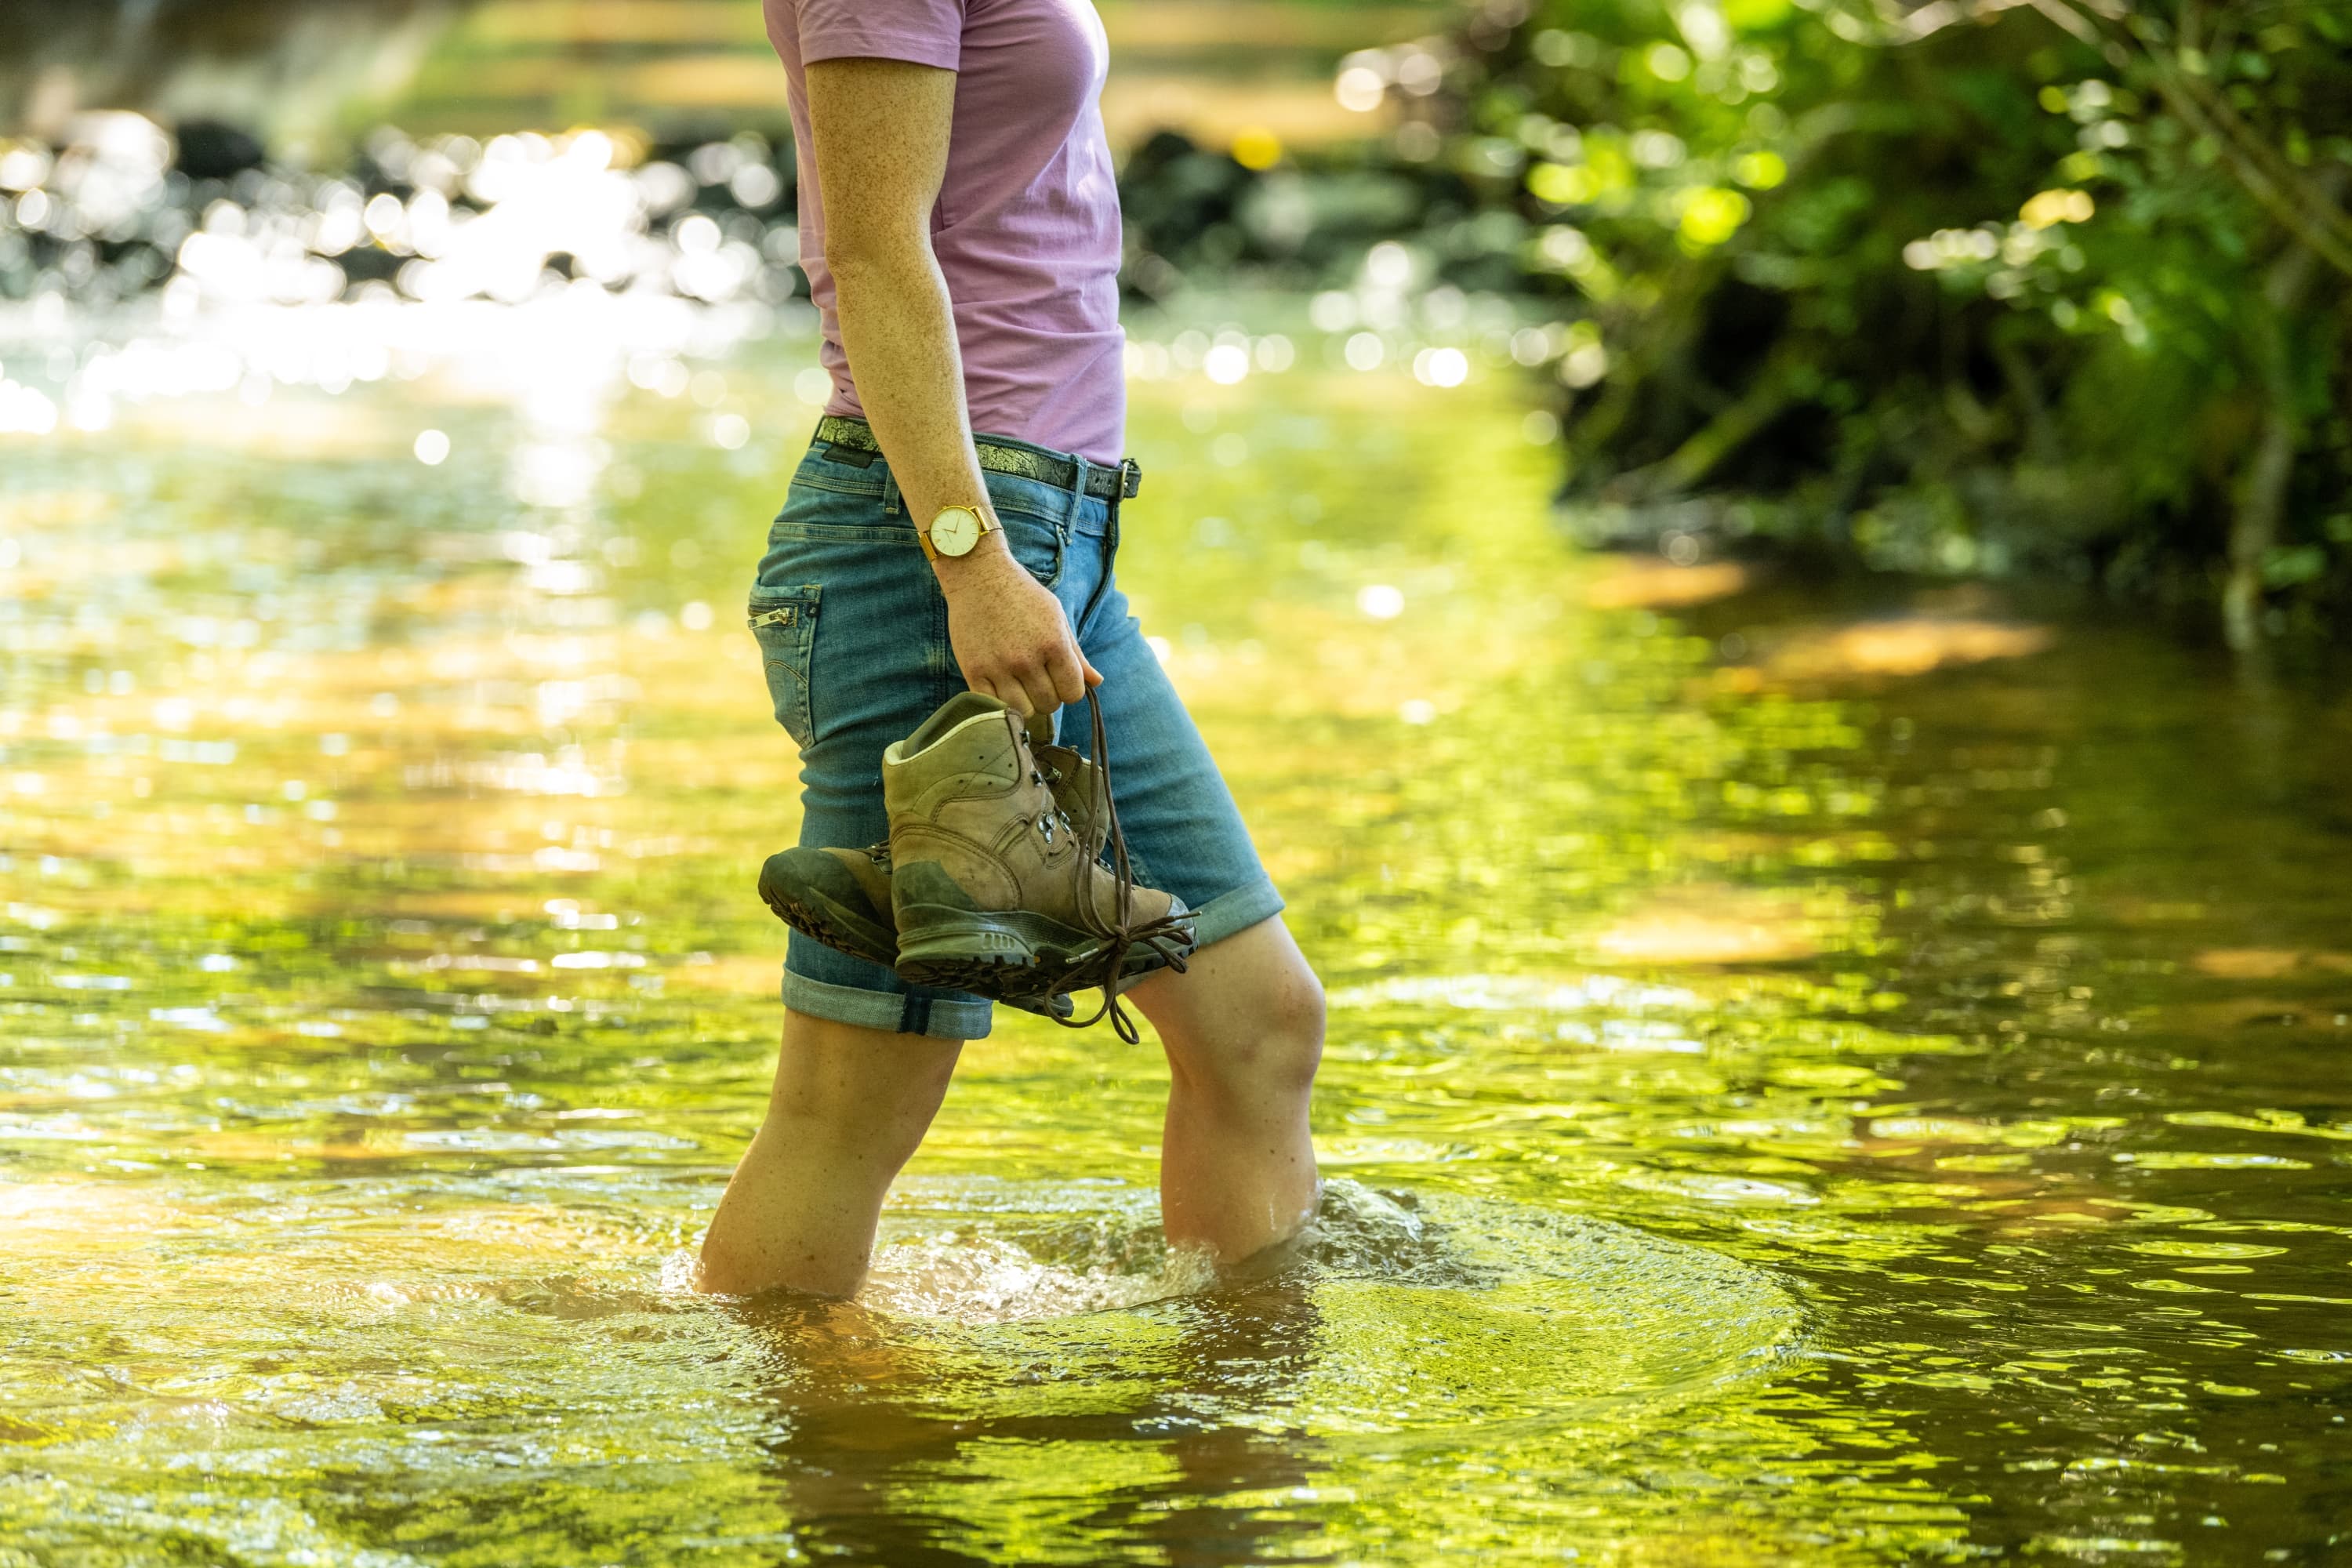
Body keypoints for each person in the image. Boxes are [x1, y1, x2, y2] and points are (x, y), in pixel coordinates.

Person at [695, 0, 1325, 1299]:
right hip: (933, 547)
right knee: (856, 1099)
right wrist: (972, 560)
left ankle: (1236, 1439)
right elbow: (871, 254)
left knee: (1258, 1029)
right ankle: (817, 1456)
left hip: (1055, 547)